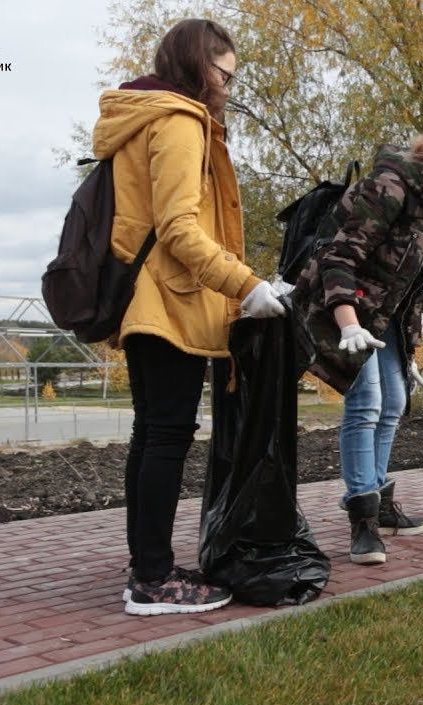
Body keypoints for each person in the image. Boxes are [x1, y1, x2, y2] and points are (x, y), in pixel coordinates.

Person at [96, 19, 287, 615]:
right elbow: (180, 228)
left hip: (143, 298)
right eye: (222, 73)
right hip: (170, 303)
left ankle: (146, 567)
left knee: (151, 435)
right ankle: (152, 580)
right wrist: (246, 284)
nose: (228, 86)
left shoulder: (138, 116)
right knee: (168, 437)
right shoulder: (178, 121)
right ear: (195, 64)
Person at [293, 130, 423, 564]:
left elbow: (408, 289)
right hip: (340, 305)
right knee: (367, 400)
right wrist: (348, 324)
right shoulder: (389, 190)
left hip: (384, 317)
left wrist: (407, 350)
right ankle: (363, 520)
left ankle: (379, 501)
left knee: (394, 400)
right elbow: (339, 258)